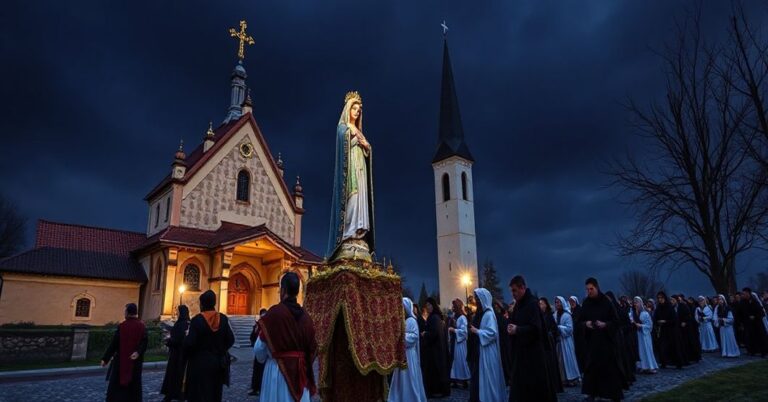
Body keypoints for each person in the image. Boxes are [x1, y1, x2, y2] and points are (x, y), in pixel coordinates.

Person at [255, 272, 317, 401]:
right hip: (301, 374)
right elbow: (313, 348)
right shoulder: (307, 317)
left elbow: (259, 350)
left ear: (282, 290)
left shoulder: (274, 314)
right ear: (298, 291)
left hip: (277, 373)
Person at [506, 276, 556, 402]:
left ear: (523, 288)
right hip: (521, 354)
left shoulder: (532, 304)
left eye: (515, 290)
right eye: (512, 291)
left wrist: (517, 329)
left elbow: (536, 328)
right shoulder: (519, 305)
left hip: (533, 356)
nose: (513, 294)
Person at [184, 290, 236, 402]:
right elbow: (231, 339)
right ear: (214, 303)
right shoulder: (223, 319)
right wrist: (221, 349)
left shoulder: (197, 320)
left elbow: (190, 343)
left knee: (199, 394)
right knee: (215, 393)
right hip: (218, 363)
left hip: (200, 363)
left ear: (202, 304)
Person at [578, 277, 623, 402]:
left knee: (609, 370)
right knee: (592, 369)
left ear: (597, 287)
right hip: (592, 343)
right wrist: (586, 324)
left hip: (606, 342)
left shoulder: (606, 301)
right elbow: (579, 322)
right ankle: (592, 393)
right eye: (587, 289)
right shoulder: (586, 303)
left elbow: (616, 321)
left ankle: (613, 395)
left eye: (591, 289)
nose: (589, 292)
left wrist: (605, 325)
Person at [101, 303, 148, 402]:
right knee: (133, 387)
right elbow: (144, 342)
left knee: (118, 388)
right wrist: (138, 352)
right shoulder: (142, 326)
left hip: (121, 362)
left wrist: (105, 358)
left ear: (127, 312)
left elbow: (114, 344)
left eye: (125, 311)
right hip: (135, 363)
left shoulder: (122, 326)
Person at [466, 288, 506, 402]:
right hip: (478, 352)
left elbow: (492, 333)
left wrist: (477, 331)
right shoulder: (479, 314)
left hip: (487, 352)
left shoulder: (488, 314)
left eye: (478, 298)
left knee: (487, 379)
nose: (476, 301)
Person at [388, 298, 427, 402]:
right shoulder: (405, 321)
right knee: (402, 378)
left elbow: (414, 337)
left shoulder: (411, 320)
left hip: (409, 355)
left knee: (409, 378)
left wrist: (400, 336)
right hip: (403, 354)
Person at [419, 297, 450, 398]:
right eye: (426, 305)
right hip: (436, 348)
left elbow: (434, 333)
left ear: (433, 306)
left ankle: (438, 391)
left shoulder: (434, 318)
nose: (427, 307)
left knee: (436, 371)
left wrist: (425, 334)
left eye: (428, 305)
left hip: (435, 350)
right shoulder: (435, 317)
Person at [161, 305, 189, 402]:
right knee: (175, 374)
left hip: (179, 354)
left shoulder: (182, 324)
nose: (176, 313)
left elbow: (179, 339)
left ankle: (175, 394)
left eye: (178, 312)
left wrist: (169, 341)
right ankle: (174, 394)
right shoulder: (184, 323)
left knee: (176, 375)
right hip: (178, 354)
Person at [538, 297, 563, 394]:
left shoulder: (549, 316)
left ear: (546, 305)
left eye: (541, 303)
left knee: (551, 365)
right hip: (543, 344)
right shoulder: (540, 316)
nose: (540, 305)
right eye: (539, 303)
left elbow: (555, 330)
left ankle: (554, 386)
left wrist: (549, 334)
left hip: (549, 344)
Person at [554, 296, 580, 387]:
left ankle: (573, 378)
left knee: (568, 359)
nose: (557, 304)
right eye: (556, 302)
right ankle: (563, 379)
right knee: (560, 360)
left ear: (562, 303)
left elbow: (570, 329)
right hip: (559, 341)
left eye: (558, 302)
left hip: (566, 341)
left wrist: (559, 327)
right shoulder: (555, 314)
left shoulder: (567, 315)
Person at [653, 291, 684, 369]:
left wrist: (665, 321)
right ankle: (663, 363)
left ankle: (678, 363)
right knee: (662, 347)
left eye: (661, 298)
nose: (660, 299)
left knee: (674, 347)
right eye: (659, 298)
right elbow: (655, 318)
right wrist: (658, 322)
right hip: (663, 331)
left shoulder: (670, 307)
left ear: (664, 298)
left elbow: (674, 320)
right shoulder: (658, 308)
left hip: (672, 330)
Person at [631, 296, 658, 374]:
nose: (635, 304)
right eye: (634, 302)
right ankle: (643, 366)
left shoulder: (645, 313)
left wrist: (641, 326)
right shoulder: (633, 313)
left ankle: (650, 366)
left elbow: (650, 325)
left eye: (637, 302)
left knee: (646, 350)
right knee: (640, 350)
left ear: (641, 303)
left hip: (645, 335)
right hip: (637, 335)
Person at [448, 299, 470, 388]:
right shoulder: (455, 316)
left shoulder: (462, 317)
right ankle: (455, 380)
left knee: (461, 361)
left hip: (460, 343)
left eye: (454, 306)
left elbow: (464, 332)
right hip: (455, 342)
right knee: (455, 361)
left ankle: (464, 380)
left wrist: (454, 330)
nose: (452, 308)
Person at [674, 295, 701, 363]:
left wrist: (685, 321)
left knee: (690, 342)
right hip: (680, 328)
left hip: (688, 327)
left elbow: (688, 315)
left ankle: (695, 357)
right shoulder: (674, 307)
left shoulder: (683, 306)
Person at [741, 288, 768, 357]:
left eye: (744, 293)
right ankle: (753, 351)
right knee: (751, 338)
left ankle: (764, 352)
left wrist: (755, 316)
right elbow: (743, 312)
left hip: (758, 323)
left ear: (748, 293)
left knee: (761, 337)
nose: (743, 295)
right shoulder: (744, 302)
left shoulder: (755, 301)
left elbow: (761, 312)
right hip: (750, 323)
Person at [249, 308, 268, 396]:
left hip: (264, 352)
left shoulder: (267, 326)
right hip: (258, 351)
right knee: (256, 370)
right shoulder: (257, 325)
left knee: (262, 371)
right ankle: (255, 388)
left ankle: (261, 388)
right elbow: (252, 336)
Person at [568, 295, 586, 373]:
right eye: (570, 301)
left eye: (573, 301)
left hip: (580, 335)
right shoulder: (571, 311)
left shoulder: (579, 310)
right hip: (574, 335)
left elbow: (577, 321)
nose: (572, 303)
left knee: (581, 353)